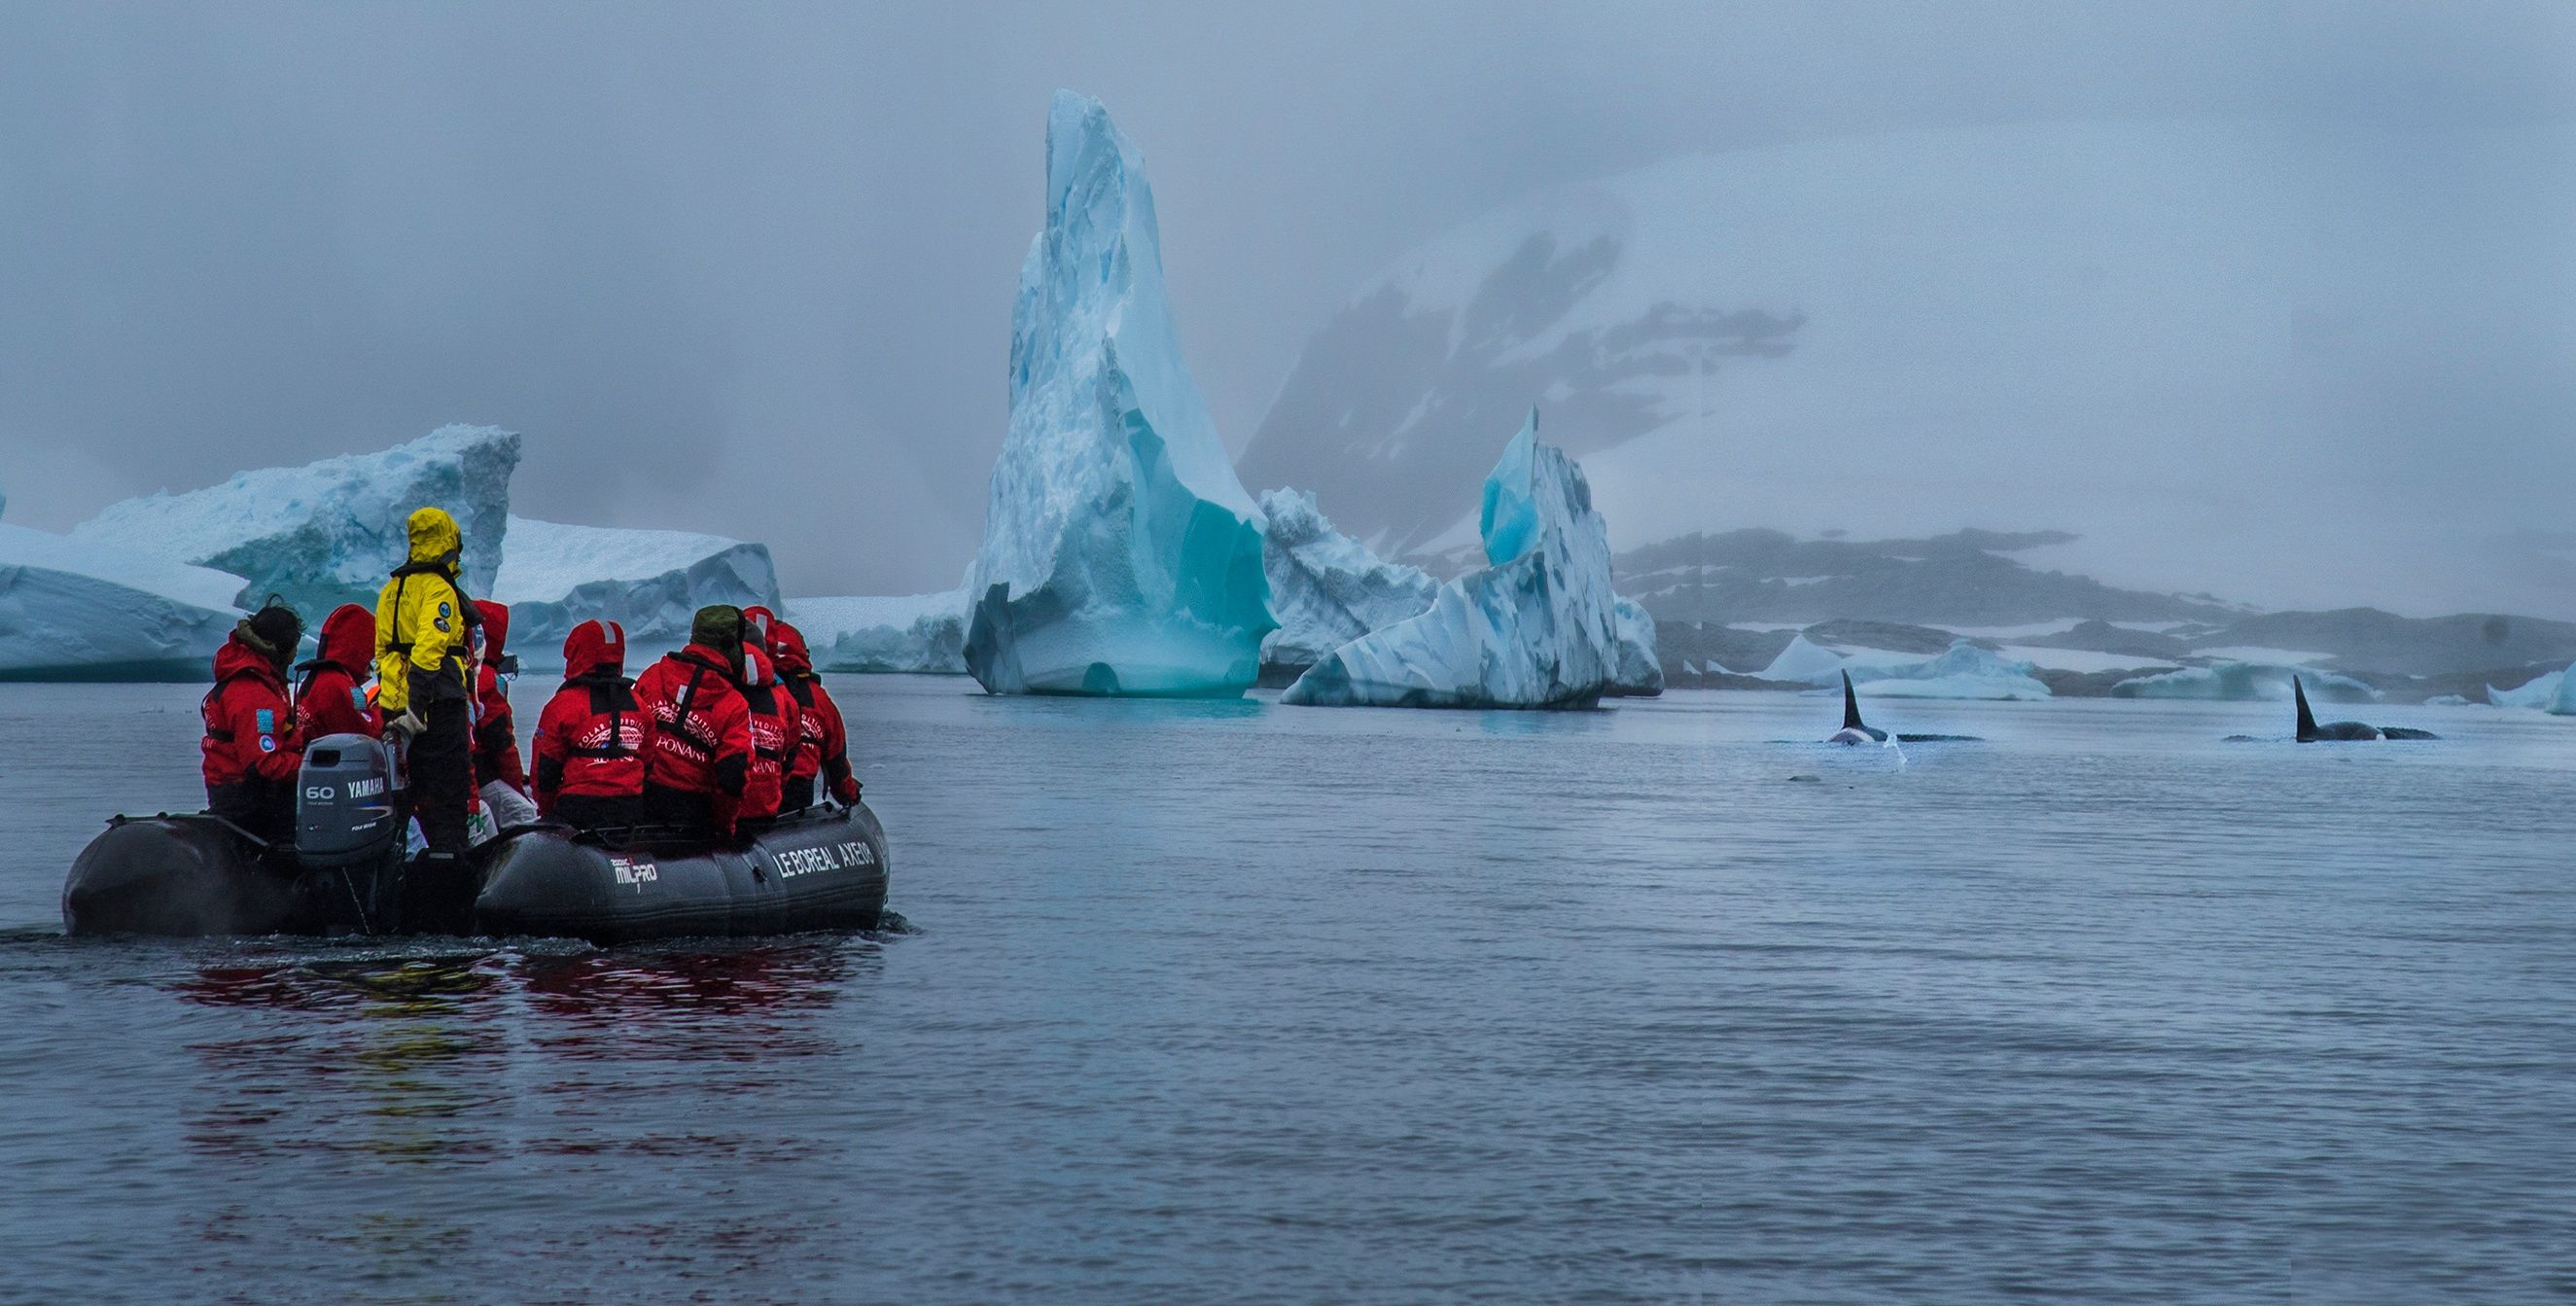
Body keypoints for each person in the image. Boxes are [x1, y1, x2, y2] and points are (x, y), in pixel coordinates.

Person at [374, 507, 481, 911]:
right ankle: (451, 884)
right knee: (449, 793)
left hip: (393, 707)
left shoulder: (392, 590)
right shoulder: (438, 590)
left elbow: (383, 651)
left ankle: (397, 883)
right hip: (437, 706)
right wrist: (417, 709)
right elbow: (429, 651)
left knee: (403, 795)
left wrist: (395, 709)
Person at [631, 605, 753, 842]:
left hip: (640, 804)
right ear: (732, 646)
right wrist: (724, 826)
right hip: (692, 816)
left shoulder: (652, 676)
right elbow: (733, 774)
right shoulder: (733, 704)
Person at [201, 601, 305, 845]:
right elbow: (264, 763)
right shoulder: (255, 693)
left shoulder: (255, 679)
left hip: (229, 790)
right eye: (294, 647)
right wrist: (310, 766)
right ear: (281, 648)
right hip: (248, 799)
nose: (295, 654)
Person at [531, 619, 649, 832]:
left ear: (577, 652)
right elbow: (649, 761)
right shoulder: (639, 705)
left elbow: (544, 771)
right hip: (630, 808)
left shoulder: (563, 705)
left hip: (578, 809)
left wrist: (546, 813)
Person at [768, 619, 860, 811]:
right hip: (797, 793)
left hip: (751, 792)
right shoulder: (818, 699)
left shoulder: (746, 693)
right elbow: (836, 759)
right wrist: (848, 793)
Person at [468, 598, 538, 828]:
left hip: (461, 774)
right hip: (483, 773)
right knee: (525, 814)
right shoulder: (487, 678)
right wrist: (517, 785)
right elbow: (500, 741)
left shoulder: (463, 669)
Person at [731, 619, 794, 825]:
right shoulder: (782, 698)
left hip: (719, 815)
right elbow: (789, 752)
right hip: (765, 810)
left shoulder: (718, 692)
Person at [295, 604, 379, 741]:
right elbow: (367, 734)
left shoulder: (320, 676)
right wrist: (382, 710)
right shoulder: (338, 685)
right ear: (359, 649)